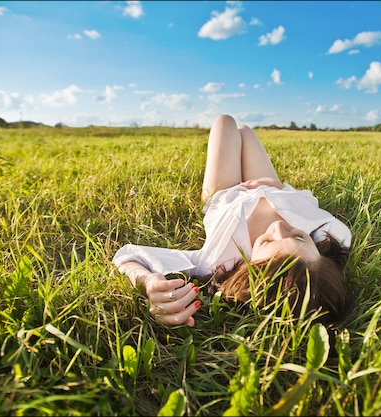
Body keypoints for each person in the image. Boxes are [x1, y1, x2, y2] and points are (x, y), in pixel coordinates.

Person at [113, 114, 354, 327]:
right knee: (245, 131)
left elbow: (128, 256)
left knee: (225, 123)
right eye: (298, 236)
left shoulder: (217, 261)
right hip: (270, 186)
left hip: (226, 194)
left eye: (267, 242)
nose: (279, 227)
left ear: (248, 268)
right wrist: (277, 186)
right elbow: (306, 203)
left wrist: (147, 281)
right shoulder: (334, 235)